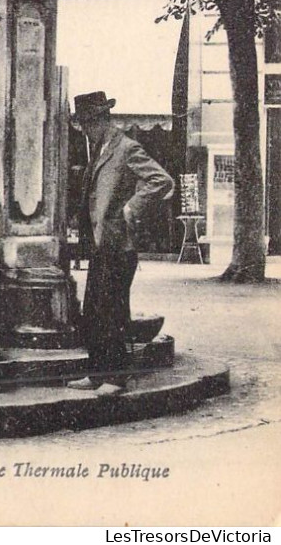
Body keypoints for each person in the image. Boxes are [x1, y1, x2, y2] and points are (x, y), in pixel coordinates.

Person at [67, 91, 174, 396]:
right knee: (94, 312)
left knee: (112, 313)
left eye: (87, 124)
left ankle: (116, 378)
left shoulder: (126, 148)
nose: (85, 131)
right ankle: (97, 373)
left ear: (101, 120)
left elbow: (161, 181)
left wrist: (132, 207)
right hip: (102, 245)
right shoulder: (99, 149)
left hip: (119, 246)